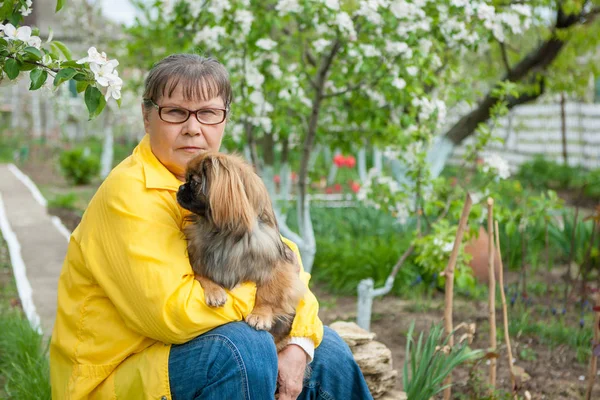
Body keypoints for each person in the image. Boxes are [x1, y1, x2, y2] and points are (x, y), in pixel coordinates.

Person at [50, 54, 373, 400]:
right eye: (175, 112)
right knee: (241, 348)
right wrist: (262, 292)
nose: (193, 127)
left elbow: (283, 260)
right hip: (119, 375)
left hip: (178, 353)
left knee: (329, 354)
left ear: (224, 119)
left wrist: (300, 340)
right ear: (147, 117)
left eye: (207, 113)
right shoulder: (129, 193)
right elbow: (173, 316)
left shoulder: (223, 183)